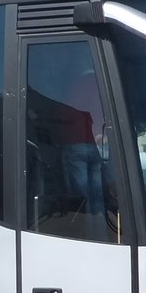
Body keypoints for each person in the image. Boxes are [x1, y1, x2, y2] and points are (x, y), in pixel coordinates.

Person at [58, 68, 106, 216]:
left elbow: (63, 117)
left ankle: (84, 221)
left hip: (75, 144)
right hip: (97, 144)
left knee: (82, 192)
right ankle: (99, 222)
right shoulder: (102, 83)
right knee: (97, 190)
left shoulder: (73, 90)